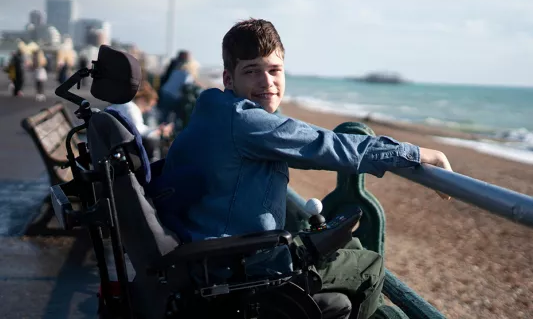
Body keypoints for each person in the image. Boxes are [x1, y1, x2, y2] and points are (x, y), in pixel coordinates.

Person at [155, 19, 453, 319]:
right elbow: (331, 147)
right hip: (239, 270)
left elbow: (309, 145)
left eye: (274, 70)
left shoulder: (213, 111)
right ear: (228, 79)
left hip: (209, 258)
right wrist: (417, 154)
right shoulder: (244, 122)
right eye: (252, 71)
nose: (267, 82)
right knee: (369, 265)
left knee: (349, 242)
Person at [110, 81, 174, 162]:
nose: (148, 109)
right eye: (150, 105)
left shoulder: (125, 105)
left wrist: (156, 130)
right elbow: (138, 131)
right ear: (143, 99)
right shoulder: (132, 109)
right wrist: (159, 131)